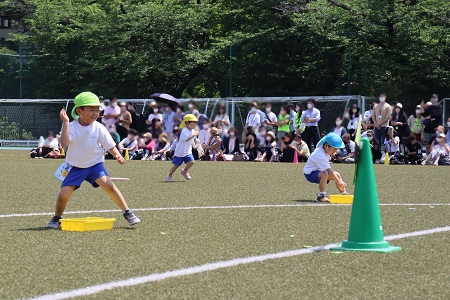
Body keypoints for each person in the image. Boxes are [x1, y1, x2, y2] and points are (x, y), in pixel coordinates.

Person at [46, 92, 140, 228]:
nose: (95, 113)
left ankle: (128, 212)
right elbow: (65, 143)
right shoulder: (71, 126)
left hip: (95, 165)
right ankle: (56, 218)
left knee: (110, 187)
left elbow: (110, 145)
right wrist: (65, 123)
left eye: (97, 110)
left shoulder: (99, 127)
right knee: (64, 194)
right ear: (79, 111)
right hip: (75, 167)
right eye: (91, 110)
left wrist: (117, 155)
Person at [303, 132, 348, 202]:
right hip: (310, 173)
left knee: (337, 174)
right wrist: (339, 181)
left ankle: (343, 193)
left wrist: (339, 180)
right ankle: (321, 196)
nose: (335, 152)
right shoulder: (319, 154)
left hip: (318, 171)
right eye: (334, 149)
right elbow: (329, 170)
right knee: (325, 174)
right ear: (326, 145)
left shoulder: (325, 150)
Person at [166, 114, 198, 181]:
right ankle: (169, 175)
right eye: (193, 122)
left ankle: (185, 171)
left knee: (192, 161)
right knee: (176, 165)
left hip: (188, 150)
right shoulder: (184, 130)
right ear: (187, 123)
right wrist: (194, 134)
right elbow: (186, 139)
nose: (195, 124)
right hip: (180, 151)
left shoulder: (193, 131)